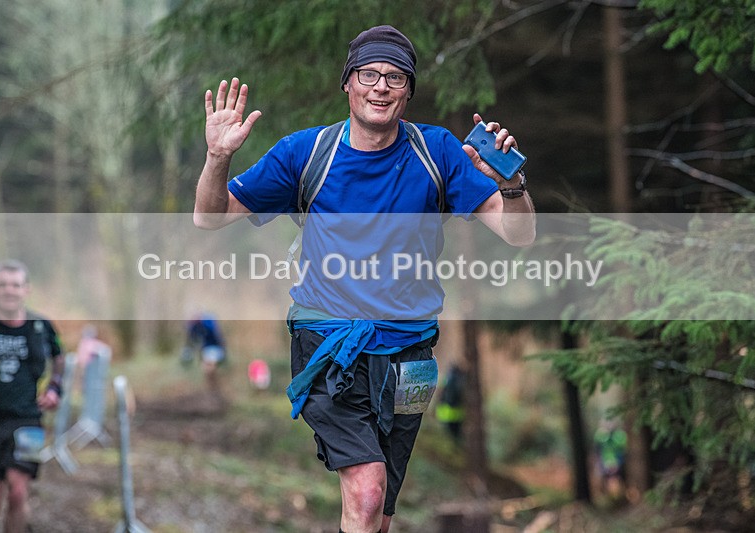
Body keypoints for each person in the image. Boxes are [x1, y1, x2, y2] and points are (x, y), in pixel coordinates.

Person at [193, 25, 535, 533]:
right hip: (329, 345)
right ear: (348, 84)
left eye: (395, 77)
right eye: (369, 74)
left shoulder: (436, 152)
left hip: (410, 354)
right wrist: (218, 157)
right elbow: (210, 215)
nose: (381, 86)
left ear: (408, 90)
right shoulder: (306, 154)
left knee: (381, 510)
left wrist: (511, 185)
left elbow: (518, 234)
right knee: (367, 487)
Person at [0, 260, 64, 533]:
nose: (9, 291)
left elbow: (59, 358)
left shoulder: (41, 326)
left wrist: (54, 388)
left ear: (27, 290)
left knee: (18, 493)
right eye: (3, 285)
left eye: (16, 285)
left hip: (28, 420)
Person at [183, 313, 227, 398]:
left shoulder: (208, 323)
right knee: (206, 369)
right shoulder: (194, 327)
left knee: (209, 367)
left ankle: (215, 388)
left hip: (214, 348)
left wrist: (223, 349)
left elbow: (217, 335)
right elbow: (192, 338)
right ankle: (211, 388)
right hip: (206, 349)